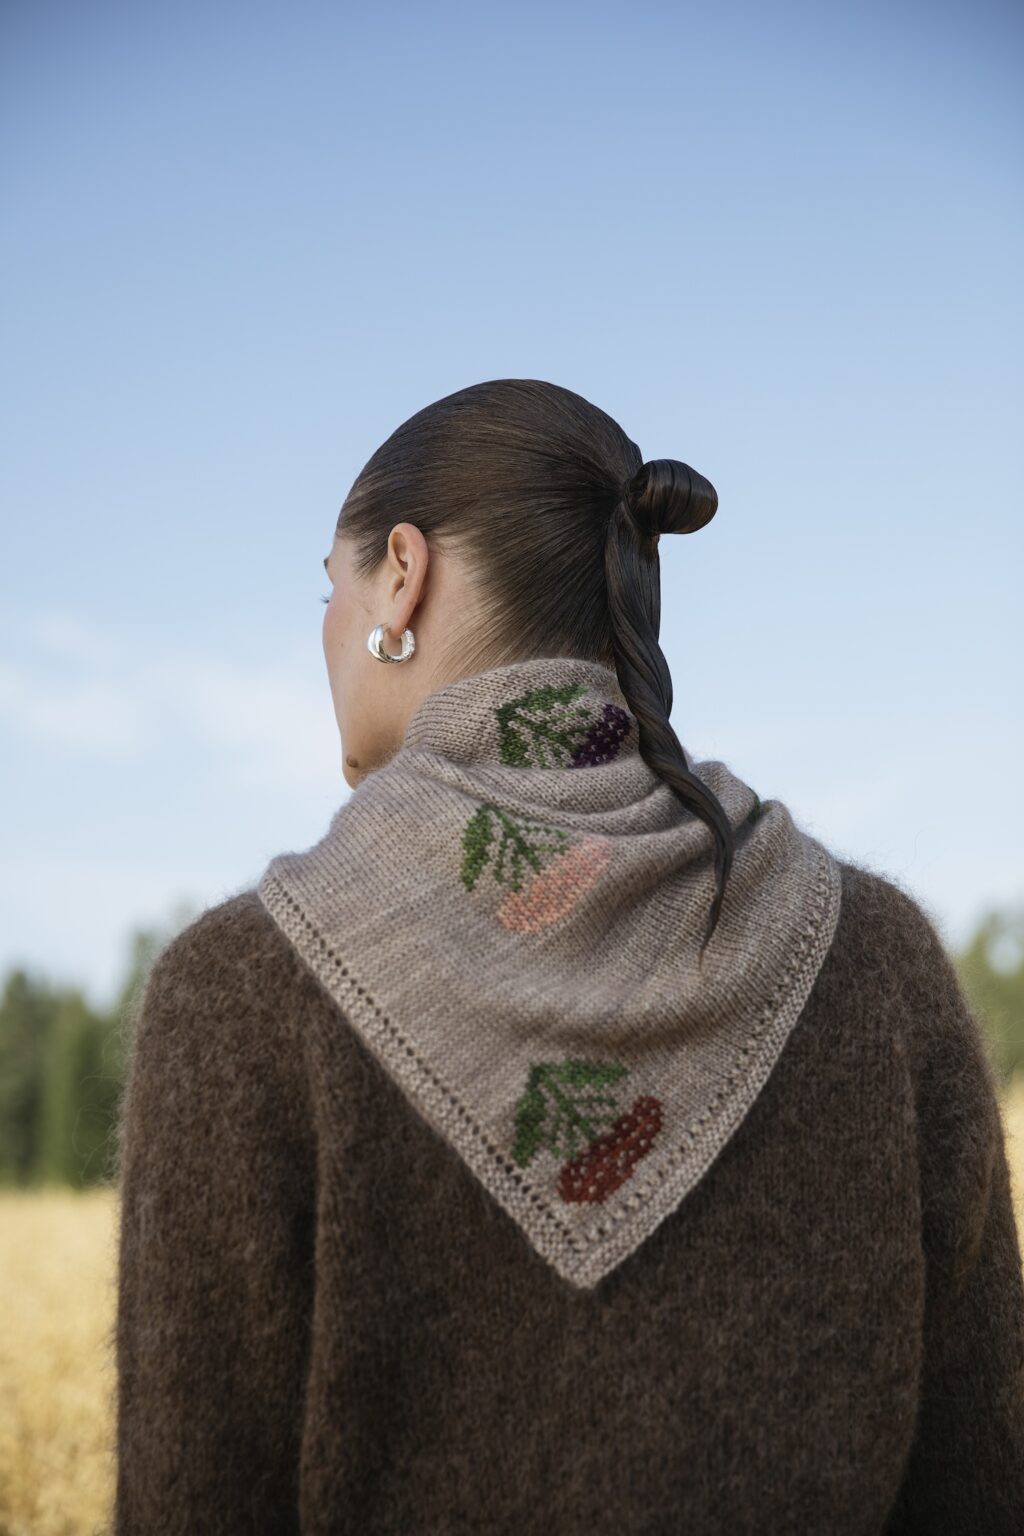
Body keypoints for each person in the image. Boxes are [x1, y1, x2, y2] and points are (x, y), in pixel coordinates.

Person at [113, 379, 1024, 1533]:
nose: (325, 628)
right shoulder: (878, 961)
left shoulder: (238, 996)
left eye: (327, 586)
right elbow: (983, 1482)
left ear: (402, 575)